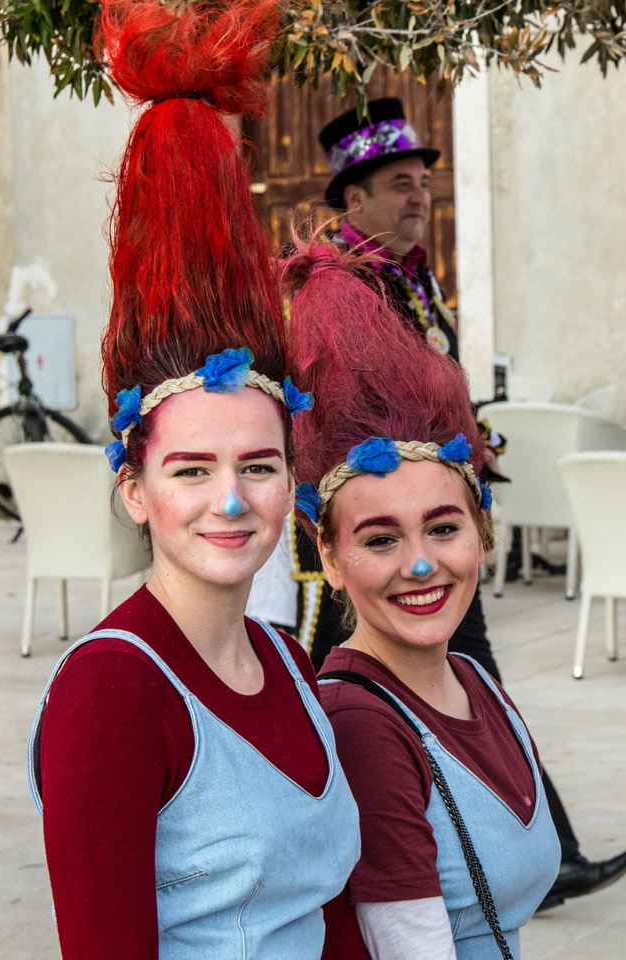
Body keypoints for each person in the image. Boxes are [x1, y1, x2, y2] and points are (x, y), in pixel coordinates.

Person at [26, 3, 359, 958]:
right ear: (134, 488)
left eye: (259, 465)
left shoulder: (292, 665)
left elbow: (333, 915)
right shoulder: (112, 697)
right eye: (190, 468)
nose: (230, 500)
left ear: (294, 474)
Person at [295, 96, 626, 910]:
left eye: (424, 184)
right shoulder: (339, 291)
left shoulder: (411, 279)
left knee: (468, 683)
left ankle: (542, 848)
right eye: (401, 183)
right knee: (359, 695)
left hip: (433, 525)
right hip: (377, 539)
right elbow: (336, 421)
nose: (419, 197)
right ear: (353, 198)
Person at [283, 241, 561, 958]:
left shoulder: (475, 684)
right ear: (330, 557)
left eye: (443, 527)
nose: (419, 564)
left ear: (482, 533)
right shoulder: (361, 724)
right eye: (378, 539)